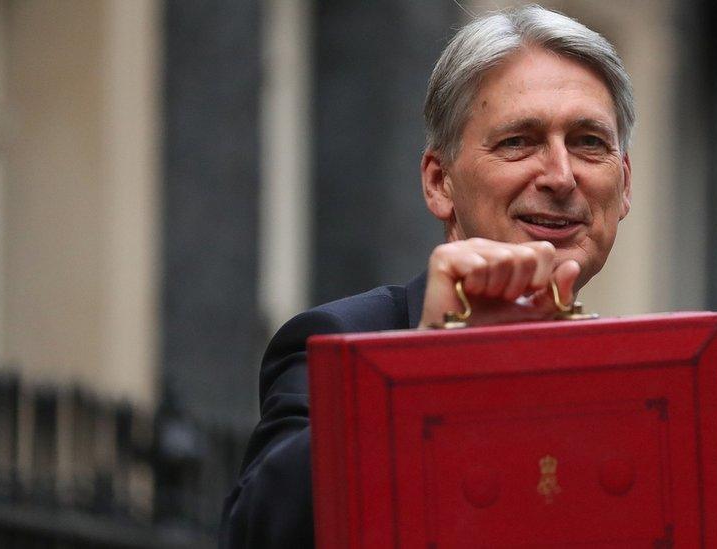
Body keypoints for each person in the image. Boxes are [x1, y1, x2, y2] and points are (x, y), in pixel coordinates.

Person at [220, 5, 634, 547]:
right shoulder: (339, 343)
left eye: (588, 143)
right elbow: (256, 532)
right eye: (518, 141)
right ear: (440, 182)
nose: (560, 176)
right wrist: (430, 368)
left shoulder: (644, 383)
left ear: (624, 186)